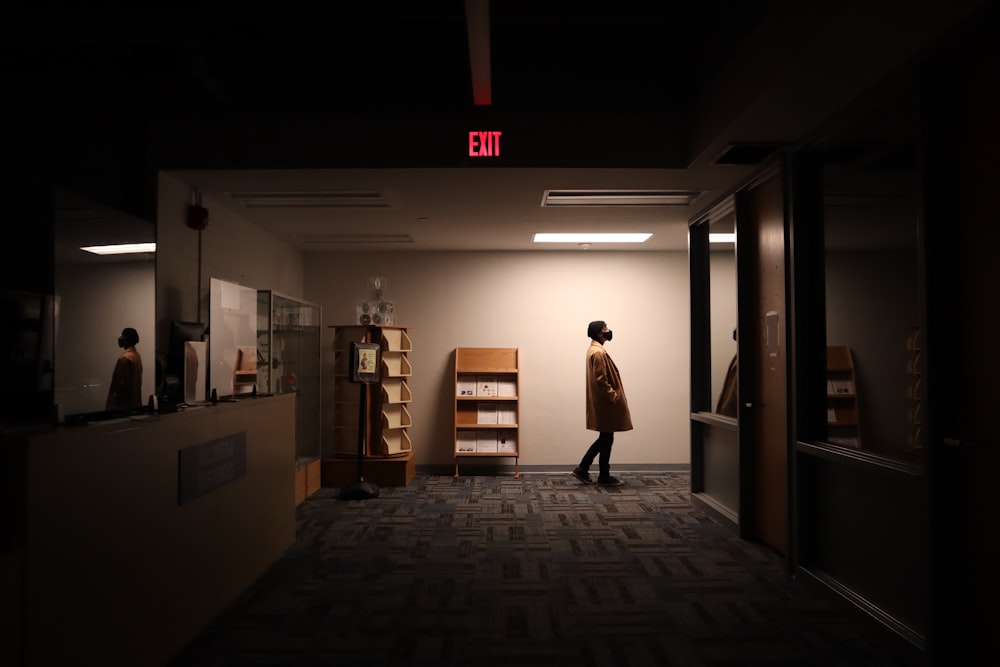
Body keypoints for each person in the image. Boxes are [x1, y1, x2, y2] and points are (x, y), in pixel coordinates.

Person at [572, 320, 632, 486]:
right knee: (606, 439)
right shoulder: (598, 353)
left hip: (603, 403)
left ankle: (590, 470)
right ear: (599, 333)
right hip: (606, 404)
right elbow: (601, 380)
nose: (608, 331)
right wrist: (614, 396)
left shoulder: (594, 350)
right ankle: (594, 472)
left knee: (606, 438)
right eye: (605, 329)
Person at [106, 327, 143, 411]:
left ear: (125, 339)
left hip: (123, 407)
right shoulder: (137, 356)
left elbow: (117, 384)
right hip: (135, 405)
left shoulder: (124, 358)